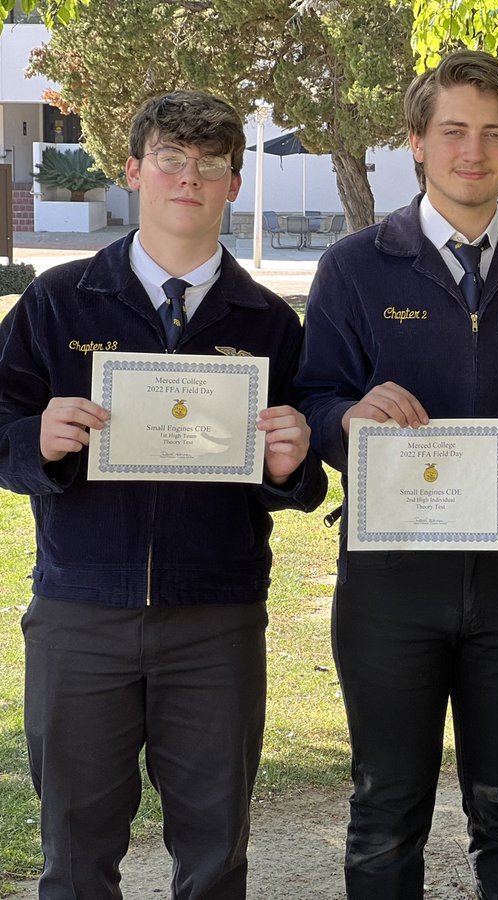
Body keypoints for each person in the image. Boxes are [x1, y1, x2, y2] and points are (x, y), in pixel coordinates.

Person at [294, 50, 498, 899]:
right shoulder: (356, 266)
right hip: (392, 579)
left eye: (495, 134)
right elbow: (317, 393)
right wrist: (347, 417)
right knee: (386, 804)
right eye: (455, 131)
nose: (475, 151)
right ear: (417, 143)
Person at [0, 91, 327, 899]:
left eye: (211, 166)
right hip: (80, 615)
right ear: (134, 171)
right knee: (75, 858)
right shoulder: (59, 301)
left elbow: (305, 473)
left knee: (216, 856)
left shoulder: (270, 323)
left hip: (215, 621)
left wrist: (290, 466)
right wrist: (32, 439)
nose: (190, 179)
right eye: (173, 161)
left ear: (233, 186)